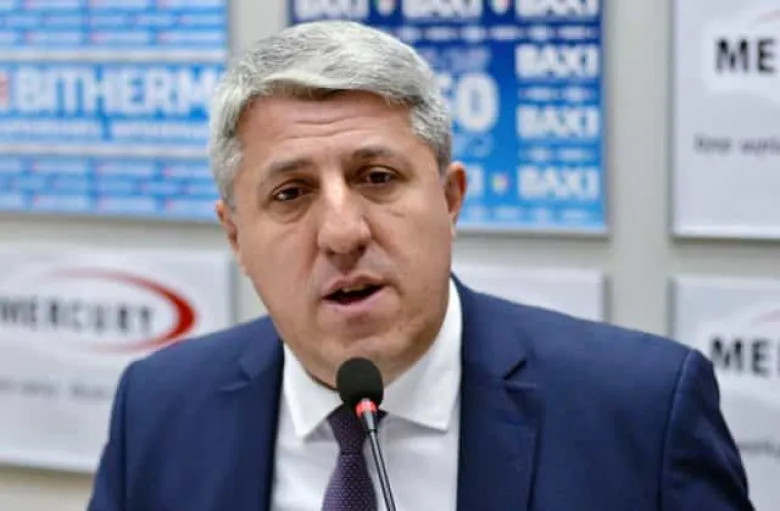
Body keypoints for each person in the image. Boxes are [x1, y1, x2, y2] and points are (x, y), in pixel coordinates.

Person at [87, 20, 754, 511]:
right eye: (291, 193)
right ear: (236, 235)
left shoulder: (641, 412)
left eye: (377, 177)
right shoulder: (158, 409)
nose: (342, 233)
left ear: (450, 198)